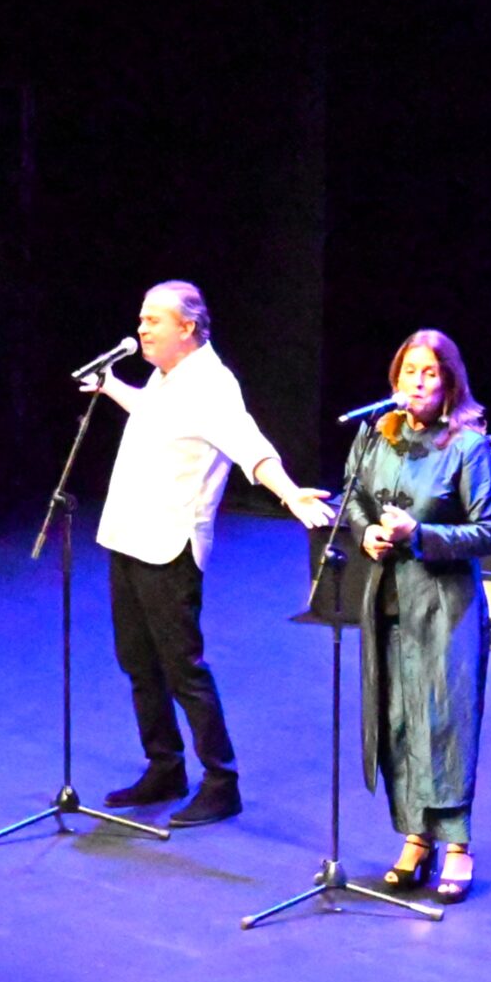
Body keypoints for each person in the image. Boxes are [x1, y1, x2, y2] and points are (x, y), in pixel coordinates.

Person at [89, 281, 335, 828]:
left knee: (183, 669)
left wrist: (290, 492)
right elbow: (155, 415)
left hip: (168, 546)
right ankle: (164, 766)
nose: (141, 328)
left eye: (154, 320)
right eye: (141, 318)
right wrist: (111, 387)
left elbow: (249, 446)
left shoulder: (212, 385)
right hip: (127, 536)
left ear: (188, 328)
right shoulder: (165, 376)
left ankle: (222, 782)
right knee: (137, 663)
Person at [345, 331, 491, 903]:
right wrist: (366, 535)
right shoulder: (376, 435)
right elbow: (354, 495)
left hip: (445, 604)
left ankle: (456, 845)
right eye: (409, 371)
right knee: (397, 718)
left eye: (430, 373)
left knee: (444, 720)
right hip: (388, 594)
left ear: (449, 383)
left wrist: (422, 535)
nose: (417, 382)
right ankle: (415, 837)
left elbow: (489, 532)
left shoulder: (467, 446)